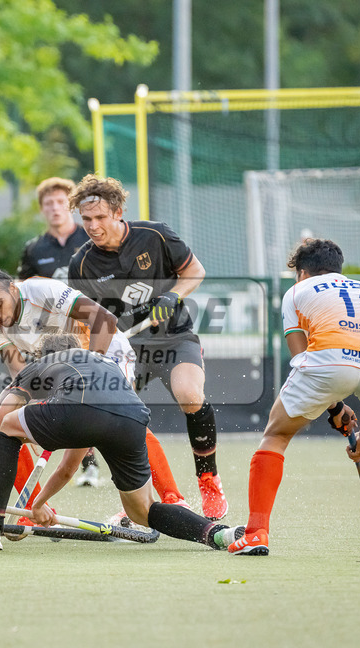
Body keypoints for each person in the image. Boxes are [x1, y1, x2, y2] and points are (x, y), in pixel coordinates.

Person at [226, 238, 360, 555]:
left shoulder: (297, 292)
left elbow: (302, 358)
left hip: (331, 363)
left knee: (276, 434)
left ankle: (256, 534)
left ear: (302, 273)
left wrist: (334, 402)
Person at [0, 332, 242, 552]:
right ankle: (217, 533)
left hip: (76, 411)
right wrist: (39, 503)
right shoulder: (104, 363)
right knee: (142, 511)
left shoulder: (40, 364)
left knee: (8, 428)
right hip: (132, 418)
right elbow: (68, 469)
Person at [0, 267, 191, 519]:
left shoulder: (41, 291)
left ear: (13, 289)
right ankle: (33, 507)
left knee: (116, 411)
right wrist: (34, 407)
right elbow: (19, 369)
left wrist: (90, 380)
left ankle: (173, 497)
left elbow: (104, 320)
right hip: (55, 365)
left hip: (104, 351)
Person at [67, 174, 228, 520]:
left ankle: (209, 479)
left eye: (99, 218)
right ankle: (157, 499)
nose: (92, 226)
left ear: (118, 212)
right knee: (119, 417)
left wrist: (172, 295)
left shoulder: (155, 235)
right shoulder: (81, 264)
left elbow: (195, 271)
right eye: (86, 220)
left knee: (189, 395)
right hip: (125, 348)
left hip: (173, 337)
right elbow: (88, 320)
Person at [18, 176, 101, 485]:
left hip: (89, 326)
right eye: (48, 203)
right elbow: (23, 292)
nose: (54, 208)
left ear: (70, 206)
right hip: (53, 331)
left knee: (90, 388)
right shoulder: (34, 249)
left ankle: (90, 460)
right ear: (42, 210)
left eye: (59, 202)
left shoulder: (91, 239)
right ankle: (83, 461)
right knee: (61, 389)